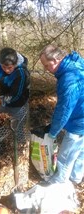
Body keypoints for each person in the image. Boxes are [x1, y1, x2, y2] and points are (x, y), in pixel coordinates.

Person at [39, 44, 84, 185]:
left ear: (57, 59)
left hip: (79, 121)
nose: (46, 69)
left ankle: (59, 184)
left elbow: (64, 109)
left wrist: (53, 132)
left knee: (65, 156)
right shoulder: (76, 64)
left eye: (47, 65)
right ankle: (75, 178)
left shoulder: (69, 79)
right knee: (81, 151)